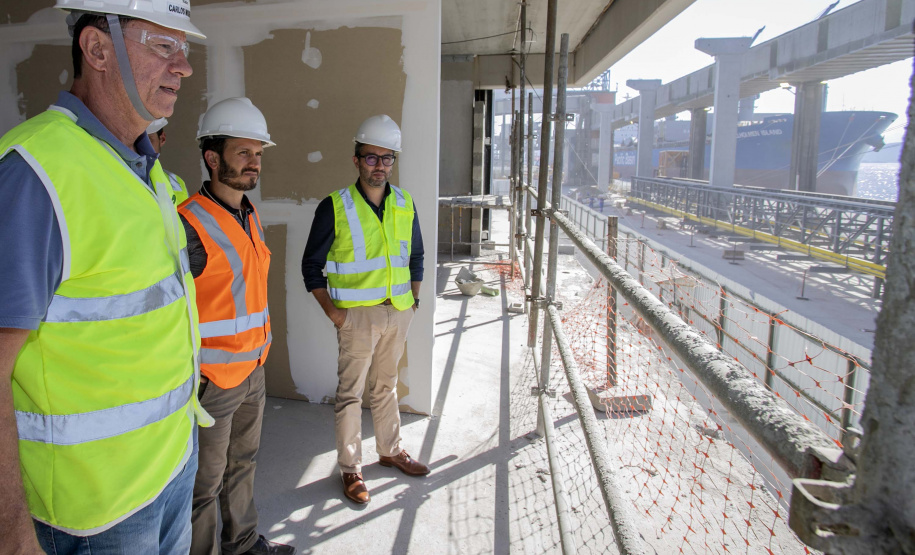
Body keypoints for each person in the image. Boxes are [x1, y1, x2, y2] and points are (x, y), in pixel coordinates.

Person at [0, 1, 211, 553]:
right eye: (163, 47)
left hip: (171, 467)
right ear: (97, 49)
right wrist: (13, 533)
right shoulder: (37, 174)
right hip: (93, 513)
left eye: (183, 50)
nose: (183, 67)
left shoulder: (146, 166)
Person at [179, 97, 294, 555]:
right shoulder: (188, 222)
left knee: (243, 465)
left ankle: (243, 545)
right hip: (213, 381)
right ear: (212, 157)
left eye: (259, 153)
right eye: (243, 152)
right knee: (202, 486)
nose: (254, 163)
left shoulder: (249, 213)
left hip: (253, 370)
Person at [301, 115, 429, 505]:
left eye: (386, 159)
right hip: (357, 317)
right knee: (351, 394)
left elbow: (417, 256)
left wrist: (413, 302)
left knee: (386, 386)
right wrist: (337, 315)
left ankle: (390, 450)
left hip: (399, 313)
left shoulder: (405, 203)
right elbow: (311, 267)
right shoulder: (334, 206)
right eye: (370, 158)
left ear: (394, 161)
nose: (379, 166)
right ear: (356, 159)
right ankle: (351, 469)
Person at [147, 116, 190, 204]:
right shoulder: (118, 178)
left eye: (148, 140)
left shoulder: (177, 184)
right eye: (136, 140)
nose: (140, 147)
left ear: (162, 139)